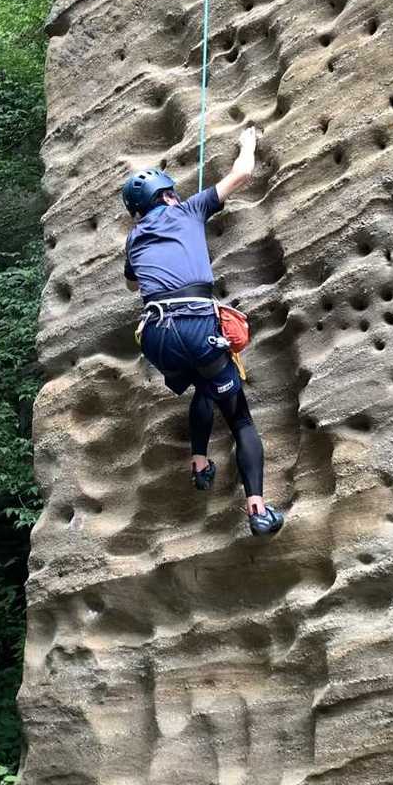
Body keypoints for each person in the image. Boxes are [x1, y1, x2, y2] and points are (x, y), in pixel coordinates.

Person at [122, 129, 285, 537]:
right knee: (240, 419)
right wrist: (248, 142)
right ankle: (258, 510)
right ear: (167, 196)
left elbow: (131, 283)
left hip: (157, 336)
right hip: (196, 326)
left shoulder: (134, 238)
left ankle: (199, 463)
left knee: (203, 386)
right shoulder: (188, 209)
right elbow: (242, 173)